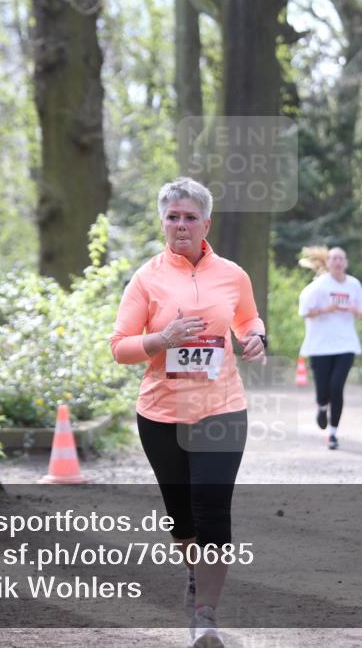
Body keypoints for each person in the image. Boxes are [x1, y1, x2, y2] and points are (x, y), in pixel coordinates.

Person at [110, 177, 266, 648]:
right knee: (182, 517)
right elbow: (120, 347)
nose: (181, 225)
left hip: (221, 409)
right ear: (163, 222)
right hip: (162, 414)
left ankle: (205, 614)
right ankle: (196, 577)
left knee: (212, 509)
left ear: (206, 224)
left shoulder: (233, 274)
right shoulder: (147, 278)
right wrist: (163, 339)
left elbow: (248, 319)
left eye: (189, 217)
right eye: (173, 217)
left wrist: (257, 337)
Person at [298, 246, 362, 450]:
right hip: (320, 346)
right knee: (323, 390)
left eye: (341, 258)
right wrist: (324, 310)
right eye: (334, 258)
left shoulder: (354, 285)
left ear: (345, 263)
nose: (338, 262)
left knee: (337, 387)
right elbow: (304, 312)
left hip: (346, 344)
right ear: (328, 263)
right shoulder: (318, 286)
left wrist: (356, 310)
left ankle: (333, 433)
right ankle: (321, 407)